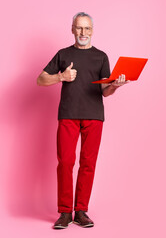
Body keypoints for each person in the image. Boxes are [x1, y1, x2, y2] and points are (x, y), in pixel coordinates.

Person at [37, 12, 129, 229]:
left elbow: (105, 91)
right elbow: (40, 79)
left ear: (92, 31)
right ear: (72, 29)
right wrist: (61, 77)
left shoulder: (101, 57)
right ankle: (65, 212)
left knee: (88, 164)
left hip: (94, 116)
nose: (83, 32)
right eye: (79, 28)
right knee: (65, 163)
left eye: (87, 28)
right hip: (68, 114)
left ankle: (81, 211)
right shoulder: (62, 54)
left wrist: (115, 85)